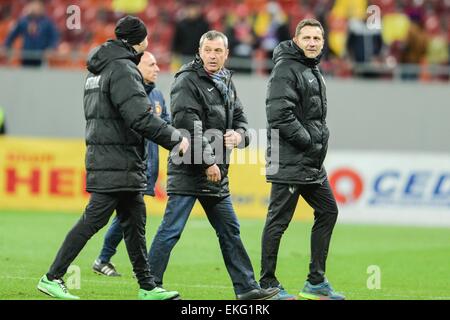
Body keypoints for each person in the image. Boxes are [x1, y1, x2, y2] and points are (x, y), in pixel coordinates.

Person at [36, 16, 189, 300]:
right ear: (138, 40)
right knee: (93, 220)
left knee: (135, 224)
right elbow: (140, 117)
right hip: (116, 159)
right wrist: (175, 138)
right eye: (146, 38)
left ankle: (147, 287)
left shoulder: (97, 69)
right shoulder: (122, 69)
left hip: (114, 158)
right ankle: (52, 277)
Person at [147, 30, 280, 300]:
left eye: (218, 51)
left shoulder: (226, 80)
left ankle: (246, 289)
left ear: (226, 54)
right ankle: (148, 286)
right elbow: (186, 127)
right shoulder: (187, 80)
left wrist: (240, 135)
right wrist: (208, 161)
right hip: (189, 168)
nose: (212, 55)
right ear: (199, 51)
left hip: (217, 172)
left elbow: (241, 118)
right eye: (208, 50)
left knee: (230, 230)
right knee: (171, 230)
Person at [261, 18, 345, 300]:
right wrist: (308, 141)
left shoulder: (312, 69)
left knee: (329, 211)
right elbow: (278, 115)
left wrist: (313, 145)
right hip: (290, 159)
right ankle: (267, 284)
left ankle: (316, 282)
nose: (312, 43)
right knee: (278, 221)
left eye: (317, 39)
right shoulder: (286, 68)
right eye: (307, 38)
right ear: (296, 41)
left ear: (323, 42)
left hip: (308, 162)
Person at [92, 51, 171, 277]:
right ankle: (110, 260)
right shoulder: (128, 93)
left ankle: (108, 259)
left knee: (127, 217)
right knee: (126, 217)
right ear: (137, 68)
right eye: (151, 64)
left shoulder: (156, 95)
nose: (157, 68)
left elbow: (166, 126)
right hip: (129, 167)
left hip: (147, 170)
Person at [3, 0, 59, 67]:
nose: (36, 8)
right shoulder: (23, 21)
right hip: (26, 55)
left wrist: (51, 48)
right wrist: (6, 45)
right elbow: (12, 35)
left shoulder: (47, 23)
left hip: (41, 56)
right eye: (34, 5)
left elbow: (54, 37)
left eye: (38, 6)